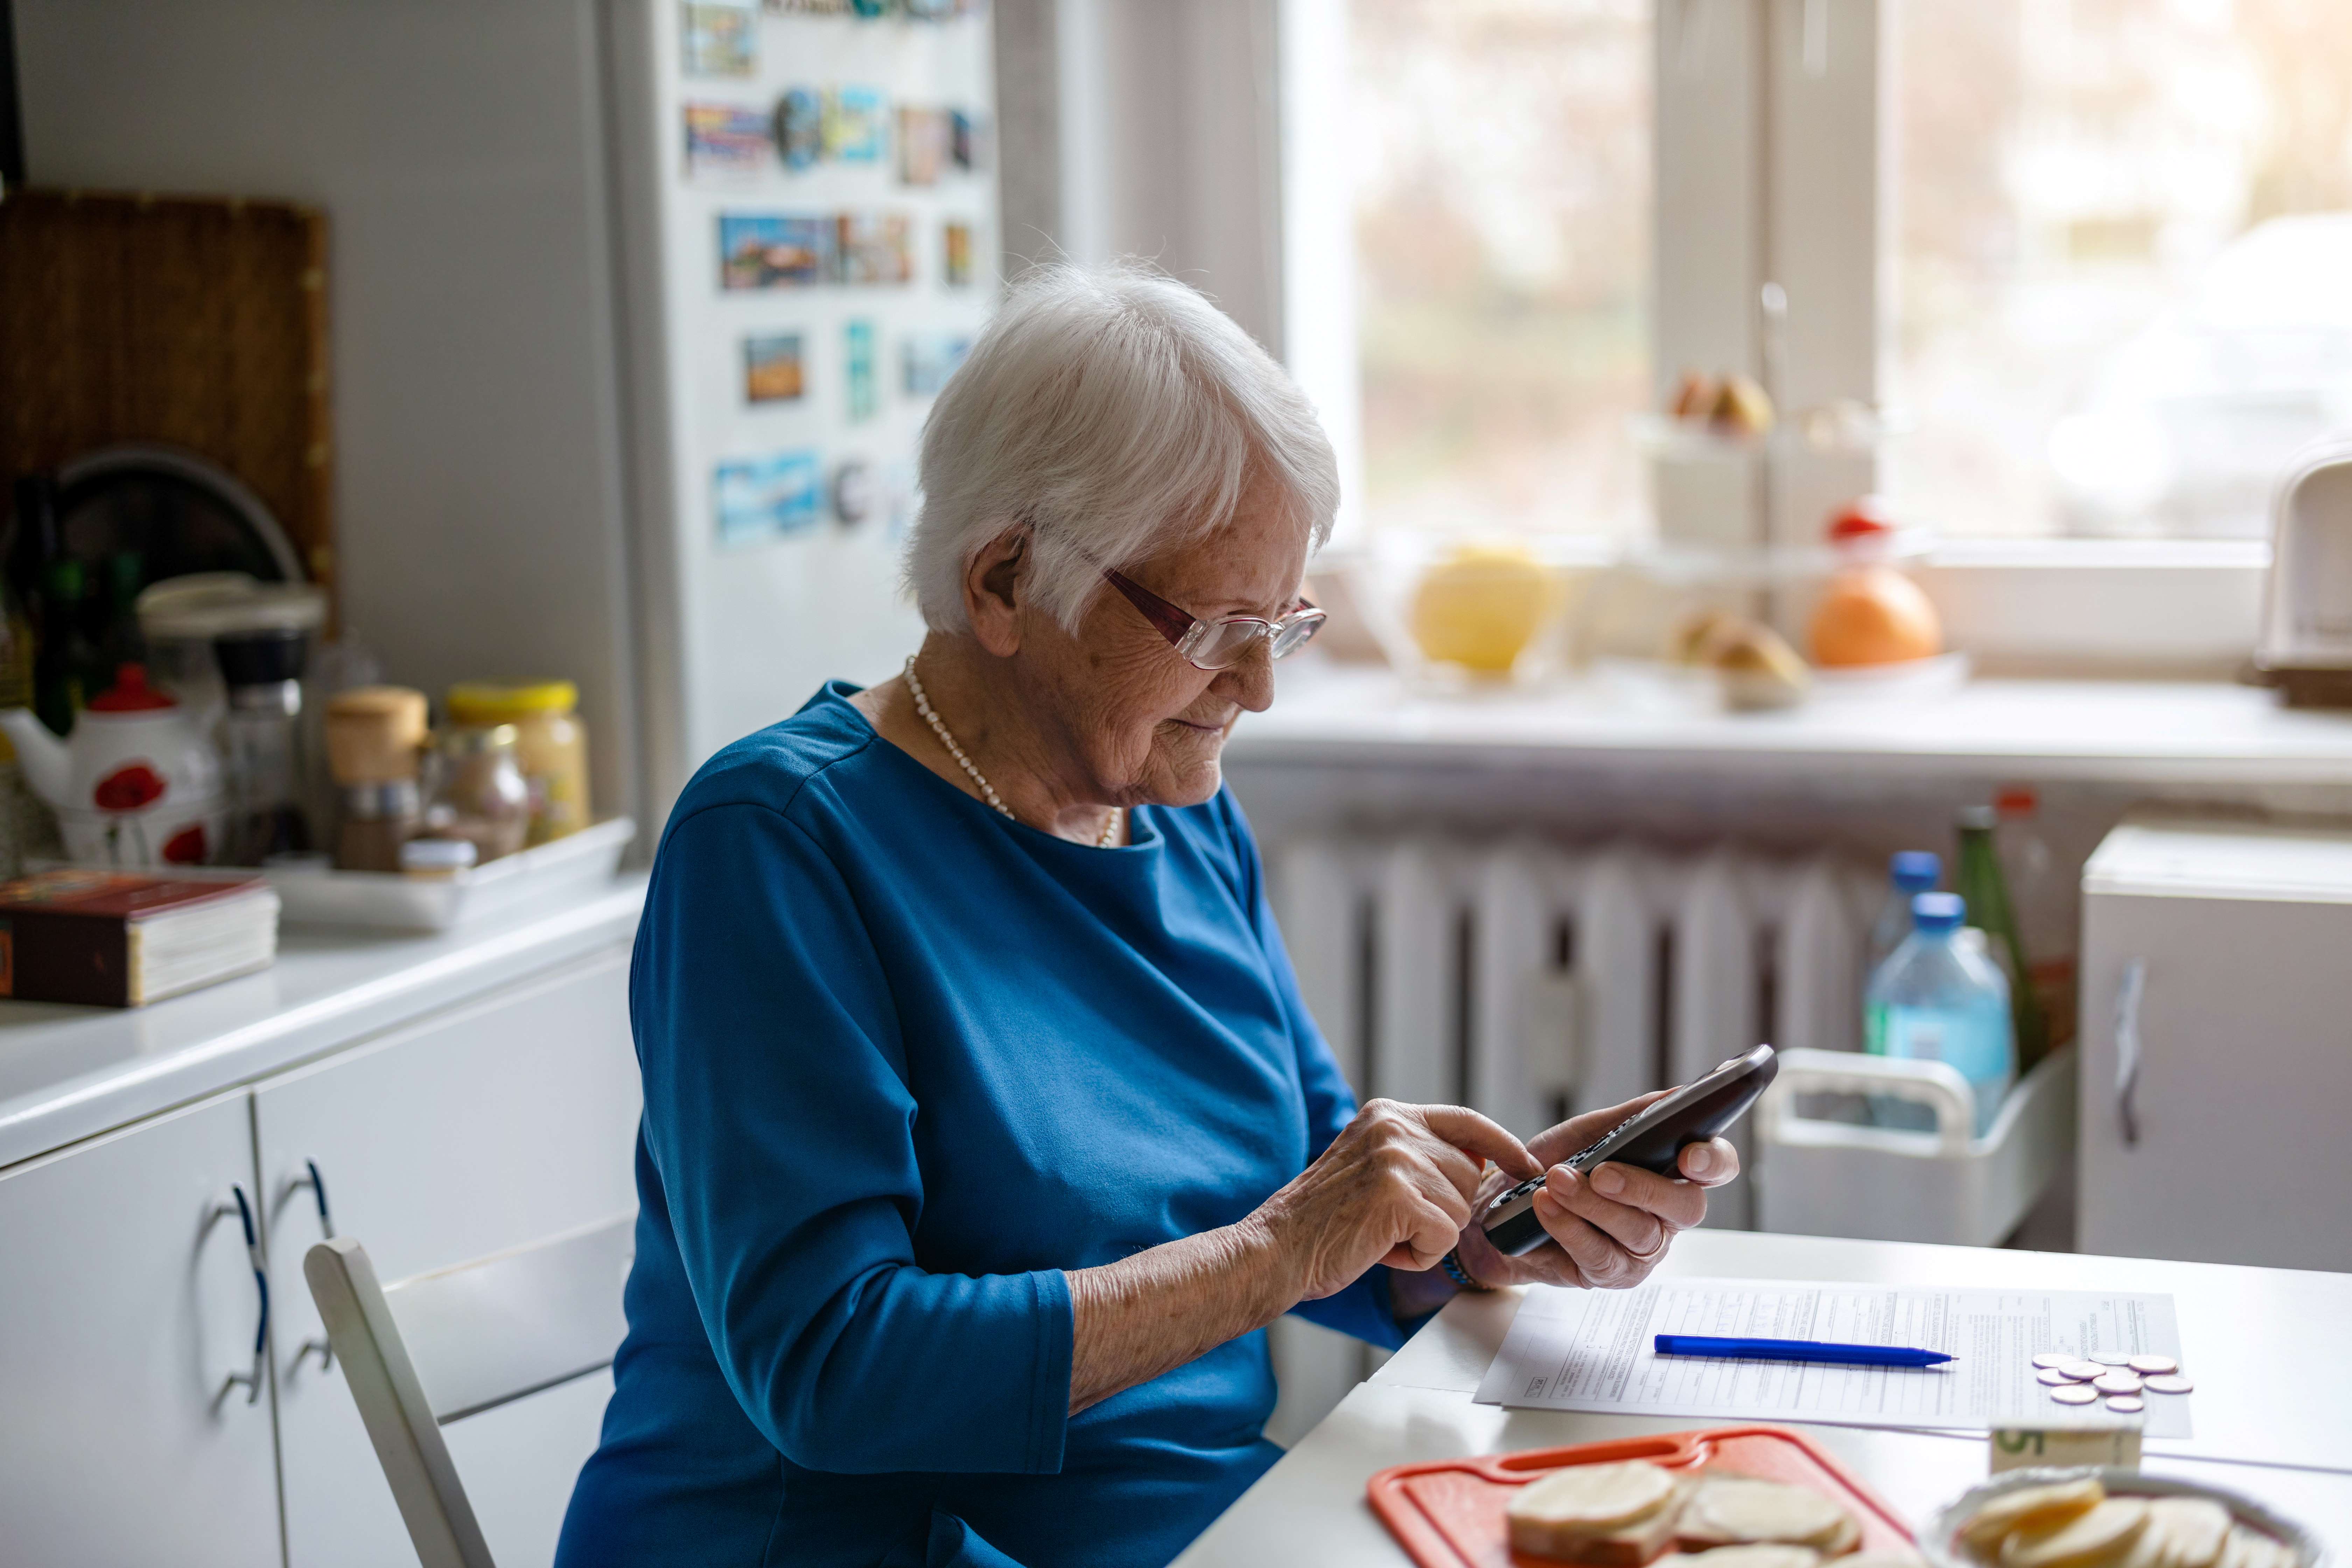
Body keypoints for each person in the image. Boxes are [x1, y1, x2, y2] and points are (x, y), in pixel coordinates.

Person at [555, 264, 1738, 1568]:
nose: (1258, 688)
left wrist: (1481, 1237)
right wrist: (1287, 1245)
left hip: (1206, 1531)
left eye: (1281, 621)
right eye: (1216, 626)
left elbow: (1303, 1200)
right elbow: (834, 1369)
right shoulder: (779, 842)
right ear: (1004, 581)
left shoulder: (1174, 815)